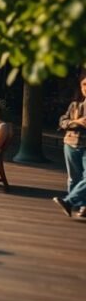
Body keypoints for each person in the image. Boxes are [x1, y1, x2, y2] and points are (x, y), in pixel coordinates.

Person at [54, 75, 86, 217]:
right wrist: (77, 122)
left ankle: (70, 201)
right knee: (74, 177)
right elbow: (62, 122)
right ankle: (80, 206)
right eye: (84, 85)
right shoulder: (75, 105)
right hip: (71, 143)